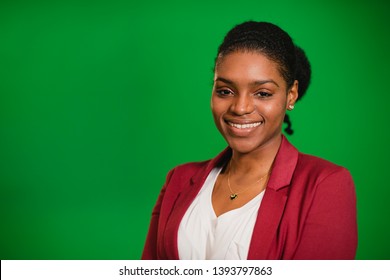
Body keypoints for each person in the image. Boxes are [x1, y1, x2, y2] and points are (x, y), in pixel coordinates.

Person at [142, 21, 357, 260]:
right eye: (225, 91)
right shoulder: (179, 180)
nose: (240, 107)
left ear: (291, 95)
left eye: (263, 93)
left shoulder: (324, 185)